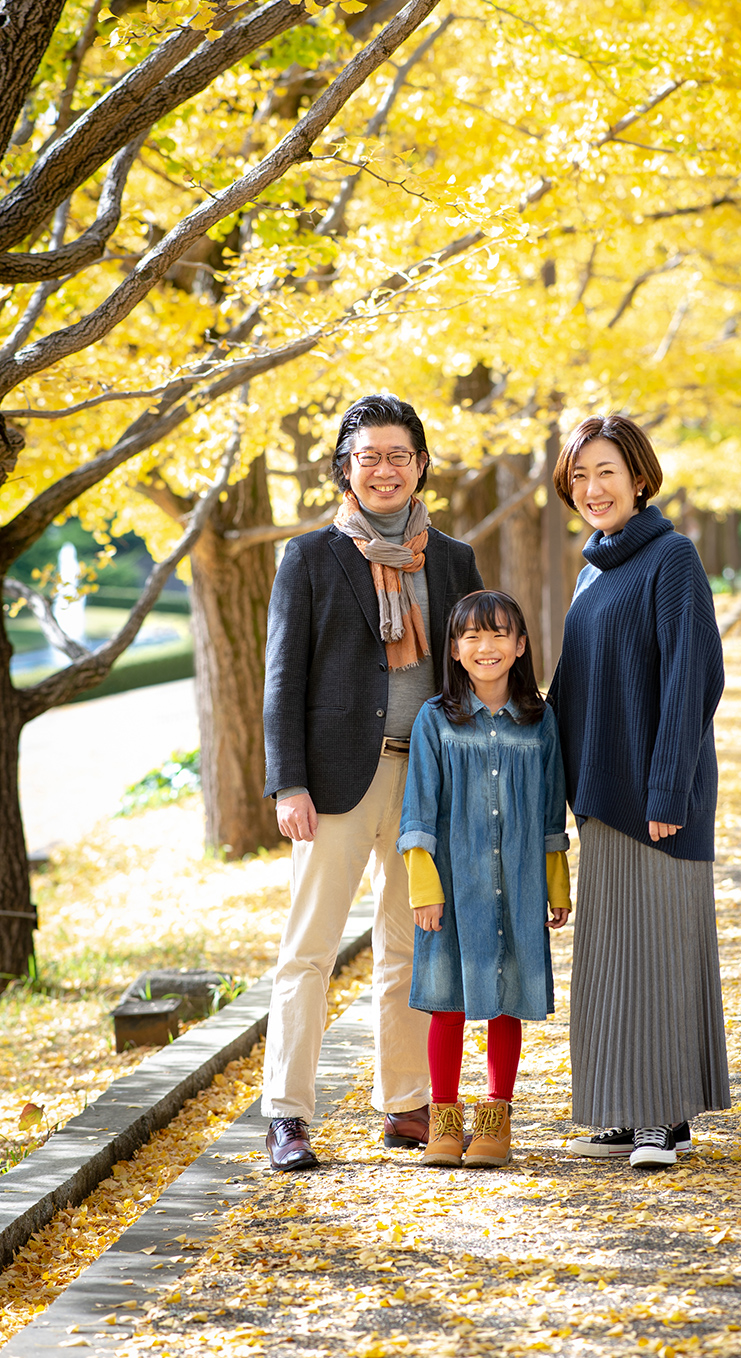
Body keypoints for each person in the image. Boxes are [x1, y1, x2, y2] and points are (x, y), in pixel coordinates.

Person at [261, 394, 482, 1171]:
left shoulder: (453, 559)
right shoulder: (311, 557)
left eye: (398, 455)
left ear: (421, 465)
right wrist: (287, 783)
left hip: (427, 779)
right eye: (369, 456)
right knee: (308, 951)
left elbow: (474, 667)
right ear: (346, 468)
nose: (384, 469)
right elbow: (282, 679)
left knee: (408, 949)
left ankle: (404, 1106)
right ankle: (286, 1113)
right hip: (332, 785)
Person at [547, 413, 730, 1170]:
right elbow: (572, 689)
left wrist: (667, 791)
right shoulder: (594, 569)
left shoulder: (672, 558)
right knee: (615, 956)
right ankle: (630, 1112)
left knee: (659, 949)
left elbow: (692, 680)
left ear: (640, 479)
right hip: (602, 796)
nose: (592, 489)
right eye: (579, 476)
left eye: (606, 473)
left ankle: (662, 1117)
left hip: (656, 800)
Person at [397, 590, 572, 1168]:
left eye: (499, 634)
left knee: (504, 1003)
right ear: (454, 648)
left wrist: (556, 883)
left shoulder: (539, 720)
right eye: (471, 635)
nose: (485, 646)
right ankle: (443, 1121)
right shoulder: (436, 719)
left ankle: (496, 1120)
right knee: (447, 1001)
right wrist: (424, 886)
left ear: (521, 646)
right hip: (453, 884)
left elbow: (551, 811)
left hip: (519, 882)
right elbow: (418, 810)